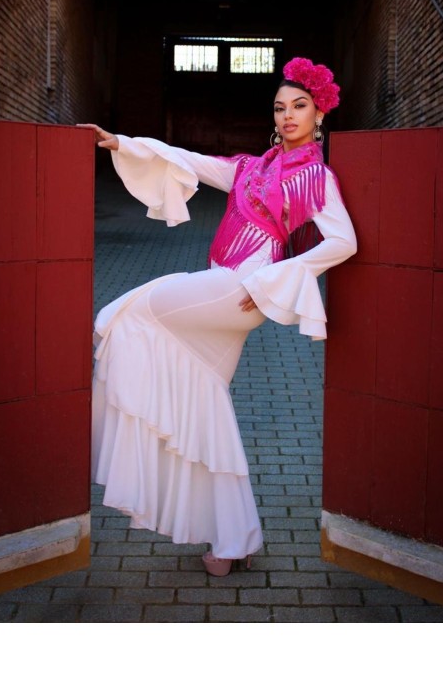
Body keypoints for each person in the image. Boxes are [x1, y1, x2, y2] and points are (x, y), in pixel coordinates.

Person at [78, 56, 357, 577]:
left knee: (132, 310)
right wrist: (121, 142)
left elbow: (344, 241)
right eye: (280, 108)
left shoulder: (316, 176)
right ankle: (233, 540)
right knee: (208, 404)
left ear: (319, 114)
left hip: (237, 291)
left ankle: (123, 424)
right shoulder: (251, 168)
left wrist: (274, 280)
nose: (288, 116)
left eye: (299, 106)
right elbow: (192, 161)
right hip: (227, 297)